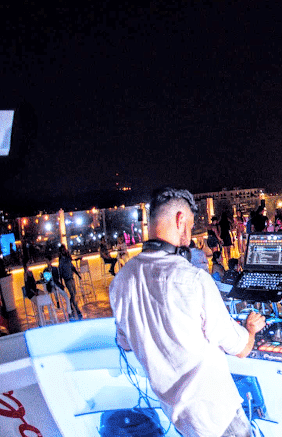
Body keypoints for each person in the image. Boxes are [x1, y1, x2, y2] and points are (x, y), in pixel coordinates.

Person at [110, 187, 265, 437]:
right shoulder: (193, 279)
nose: (190, 234)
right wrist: (251, 329)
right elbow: (240, 348)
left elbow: (125, 343)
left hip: (182, 421)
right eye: (191, 226)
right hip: (219, 418)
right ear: (180, 220)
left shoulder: (121, 281)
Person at [58, 245, 83, 319]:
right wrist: (61, 283)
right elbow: (60, 272)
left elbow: (72, 267)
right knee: (72, 294)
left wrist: (78, 274)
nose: (64, 251)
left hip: (71, 278)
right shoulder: (61, 261)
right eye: (63, 250)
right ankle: (77, 309)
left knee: (74, 294)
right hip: (67, 279)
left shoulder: (68, 258)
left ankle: (70, 305)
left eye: (64, 249)